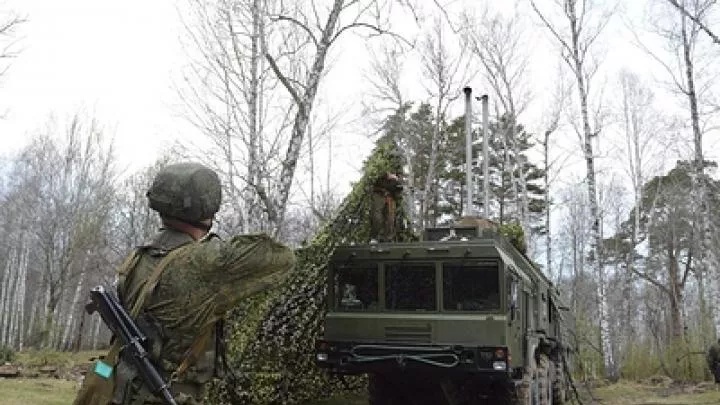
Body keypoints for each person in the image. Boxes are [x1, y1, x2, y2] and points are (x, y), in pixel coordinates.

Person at [73, 162, 296, 405]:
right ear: (208, 206)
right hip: (167, 393)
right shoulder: (204, 262)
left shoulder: (139, 258)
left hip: (124, 392)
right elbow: (283, 258)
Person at [369, 147, 404, 243]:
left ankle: (388, 239)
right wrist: (386, 175)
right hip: (379, 192)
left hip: (391, 195)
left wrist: (397, 179)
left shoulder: (398, 166)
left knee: (390, 219)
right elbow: (374, 175)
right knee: (377, 216)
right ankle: (375, 237)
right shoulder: (381, 161)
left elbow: (400, 180)